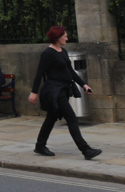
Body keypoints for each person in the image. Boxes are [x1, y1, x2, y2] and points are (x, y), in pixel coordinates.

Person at [29, 26, 101, 160]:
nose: (67, 38)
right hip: (54, 91)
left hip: (64, 89)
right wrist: (34, 92)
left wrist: (84, 85)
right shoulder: (48, 53)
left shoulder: (62, 51)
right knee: (72, 118)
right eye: (65, 36)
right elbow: (39, 73)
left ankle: (40, 145)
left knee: (51, 118)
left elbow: (71, 72)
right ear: (57, 37)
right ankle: (86, 150)